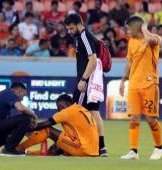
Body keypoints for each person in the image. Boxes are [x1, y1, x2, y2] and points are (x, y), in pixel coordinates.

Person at [119, 16, 162, 160]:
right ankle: (133, 151)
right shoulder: (131, 42)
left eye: (128, 28)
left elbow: (152, 40)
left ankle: (159, 148)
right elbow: (129, 62)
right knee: (134, 118)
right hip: (134, 85)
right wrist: (123, 80)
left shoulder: (153, 39)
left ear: (136, 28)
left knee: (151, 120)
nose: (127, 32)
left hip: (150, 84)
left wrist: (144, 28)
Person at [64, 14, 107, 157]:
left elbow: (93, 60)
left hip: (86, 81)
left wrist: (83, 79)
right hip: (93, 80)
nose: (69, 32)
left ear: (78, 24)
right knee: (94, 113)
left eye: (71, 28)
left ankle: (77, 144)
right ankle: (101, 148)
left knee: (74, 112)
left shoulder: (84, 36)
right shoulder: (84, 36)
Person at [17, 94, 99, 156]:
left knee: (48, 129)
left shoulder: (66, 112)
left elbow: (43, 125)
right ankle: (27, 153)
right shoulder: (80, 109)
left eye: (58, 107)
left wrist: (24, 128)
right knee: (55, 148)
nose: (57, 110)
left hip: (82, 149)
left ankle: (18, 148)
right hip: (93, 150)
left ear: (62, 106)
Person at [0, 82, 38, 156]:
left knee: (14, 127)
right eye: (23, 95)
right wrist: (34, 116)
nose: (22, 99)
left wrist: (25, 131)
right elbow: (21, 108)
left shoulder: (4, 100)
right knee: (26, 118)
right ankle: (9, 150)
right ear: (19, 90)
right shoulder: (9, 93)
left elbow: (12, 127)